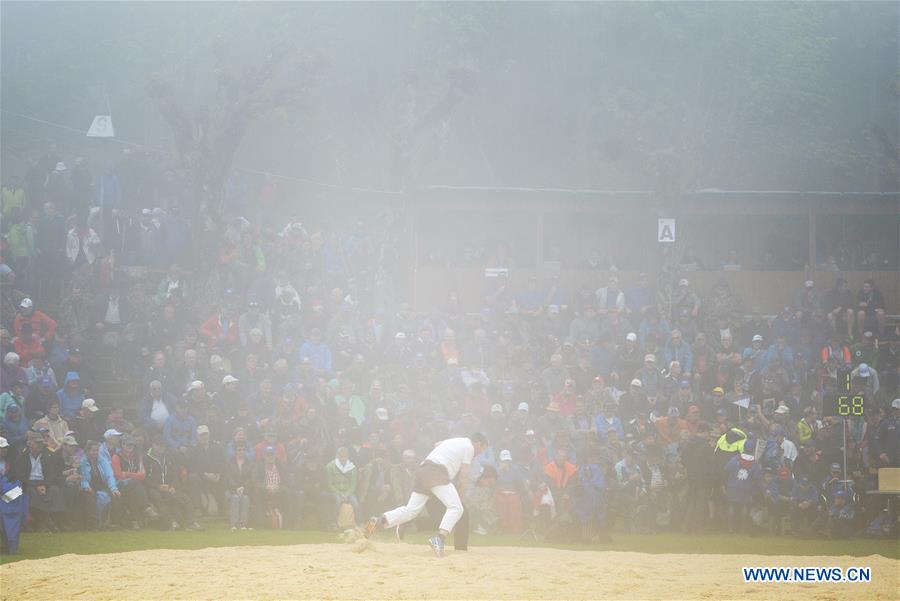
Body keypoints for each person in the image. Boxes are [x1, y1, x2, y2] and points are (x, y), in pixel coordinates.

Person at [366, 433, 488, 557]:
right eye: (482, 449)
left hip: (422, 471)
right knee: (457, 508)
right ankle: (439, 539)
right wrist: (460, 498)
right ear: (478, 443)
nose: (480, 452)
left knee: (411, 511)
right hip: (437, 473)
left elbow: (437, 444)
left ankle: (379, 521)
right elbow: (463, 476)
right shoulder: (469, 447)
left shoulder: (454, 441)